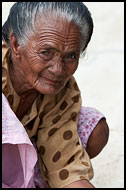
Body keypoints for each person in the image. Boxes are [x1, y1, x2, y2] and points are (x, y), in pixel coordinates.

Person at [2, 2, 109, 188]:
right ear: (16, 44)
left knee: (95, 126)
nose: (58, 70)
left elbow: (67, 165)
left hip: (23, 153)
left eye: (70, 56)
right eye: (45, 53)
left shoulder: (63, 90)